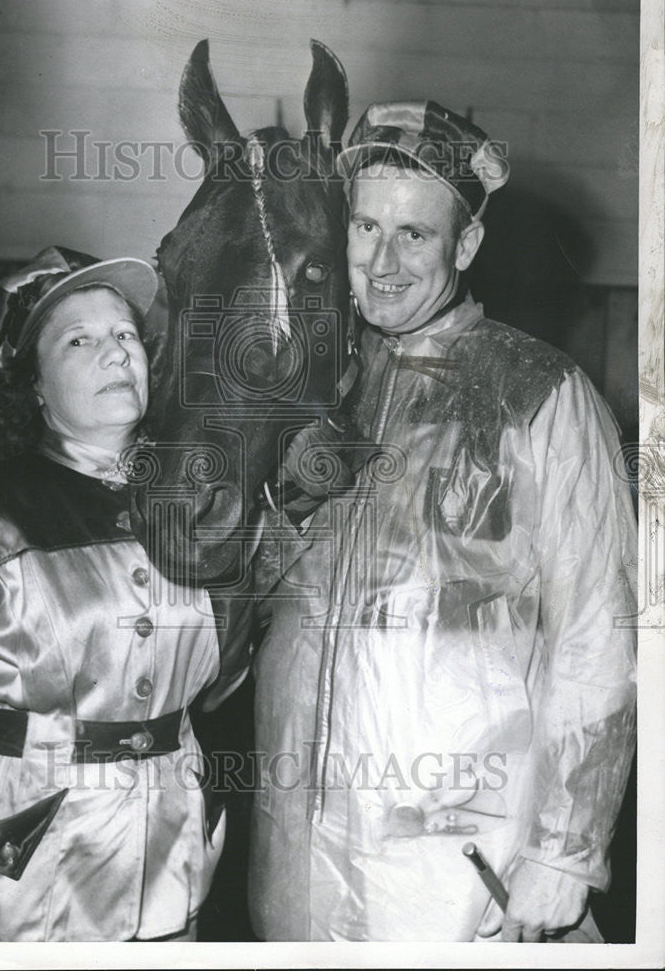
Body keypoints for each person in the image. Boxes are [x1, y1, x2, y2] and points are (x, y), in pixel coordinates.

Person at [249, 102, 637, 942]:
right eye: (364, 226)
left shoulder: (540, 393)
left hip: (458, 873)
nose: (381, 263)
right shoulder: (306, 389)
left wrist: (564, 852)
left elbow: (600, 638)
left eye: (414, 236)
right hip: (294, 865)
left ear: (463, 247)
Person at [0, 246, 226, 942]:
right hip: (27, 882)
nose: (115, 353)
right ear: (33, 383)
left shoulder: (204, 509)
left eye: (126, 334)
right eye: (81, 339)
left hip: (173, 871)